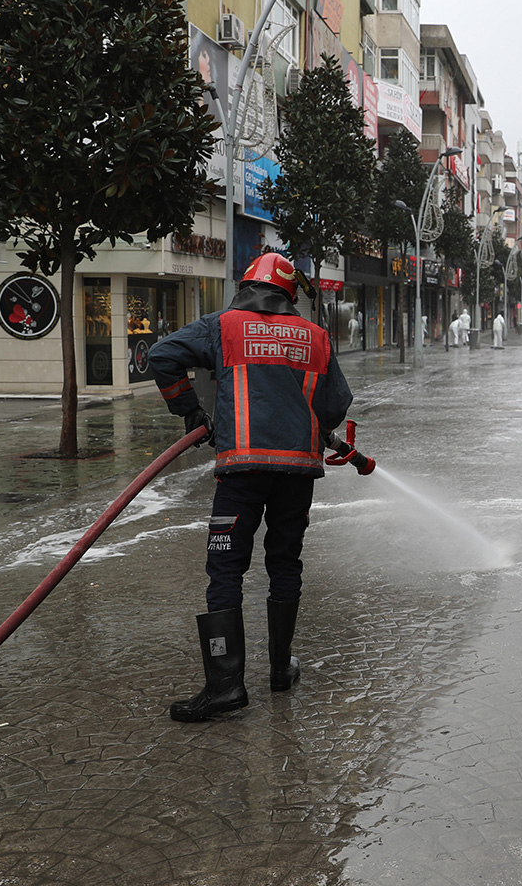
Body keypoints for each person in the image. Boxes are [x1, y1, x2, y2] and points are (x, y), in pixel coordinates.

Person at [149, 252, 354, 723]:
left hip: (241, 471)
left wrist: (189, 410)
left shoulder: (224, 325)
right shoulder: (315, 335)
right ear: (289, 293)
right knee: (285, 562)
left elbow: (162, 357)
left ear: (246, 285)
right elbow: (337, 402)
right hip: (298, 474)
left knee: (225, 569)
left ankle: (226, 685)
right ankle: (281, 670)